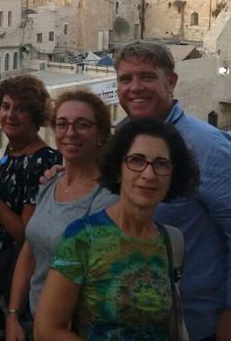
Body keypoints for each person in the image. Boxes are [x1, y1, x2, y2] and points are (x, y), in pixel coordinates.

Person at [114, 41, 231, 340]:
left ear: (171, 82)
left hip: (191, 325)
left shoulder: (207, 147)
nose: (135, 87)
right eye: (125, 79)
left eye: (147, 77)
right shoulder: (121, 137)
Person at [34, 118, 200, 340]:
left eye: (161, 164)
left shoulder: (172, 241)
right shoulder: (83, 238)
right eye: (136, 160)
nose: (148, 175)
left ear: (172, 176)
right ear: (118, 168)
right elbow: (46, 330)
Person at [5, 90, 118, 341]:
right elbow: (30, 250)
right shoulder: (50, 181)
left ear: (100, 133)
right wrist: (13, 314)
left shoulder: (108, 198)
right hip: (35, 322)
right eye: (62, 124)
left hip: (74, 329)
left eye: (82, 125)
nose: (70, 133)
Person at [0, 75, 61, 341]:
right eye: (5, 106)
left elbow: (23, 233)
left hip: (12, 277)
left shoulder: (43, 162)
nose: (10, 114)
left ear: (36, 115)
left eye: (21, 108)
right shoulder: (12, 153)